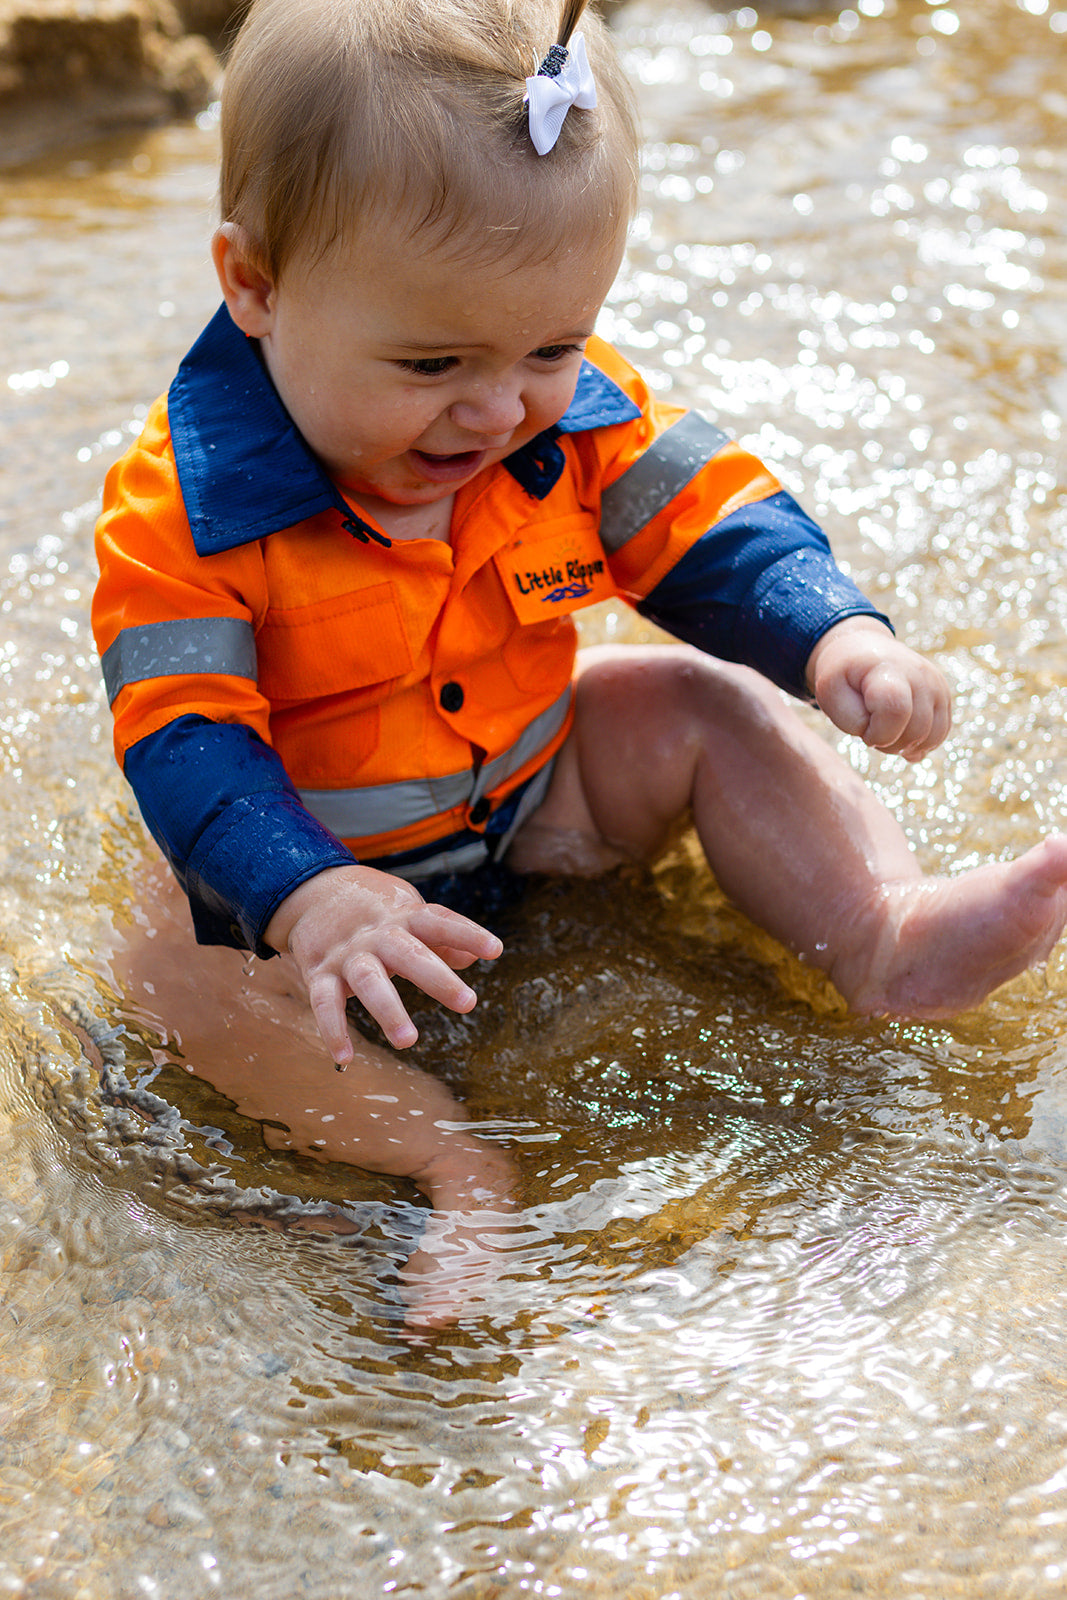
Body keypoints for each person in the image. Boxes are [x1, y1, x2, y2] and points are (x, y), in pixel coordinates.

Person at [93, 0, 1067, 1326]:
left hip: (541, 794)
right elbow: (183, 735)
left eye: (550, 347)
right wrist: (304, 892)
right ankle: (448, 1164)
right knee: (174, 971)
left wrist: (834, 628)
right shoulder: (180, 513)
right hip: (315, 867)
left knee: (691, 699)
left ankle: (879, 930)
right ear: (254, 285)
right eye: (433, 362)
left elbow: (712, 523)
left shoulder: (567, 416)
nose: (499, 408)